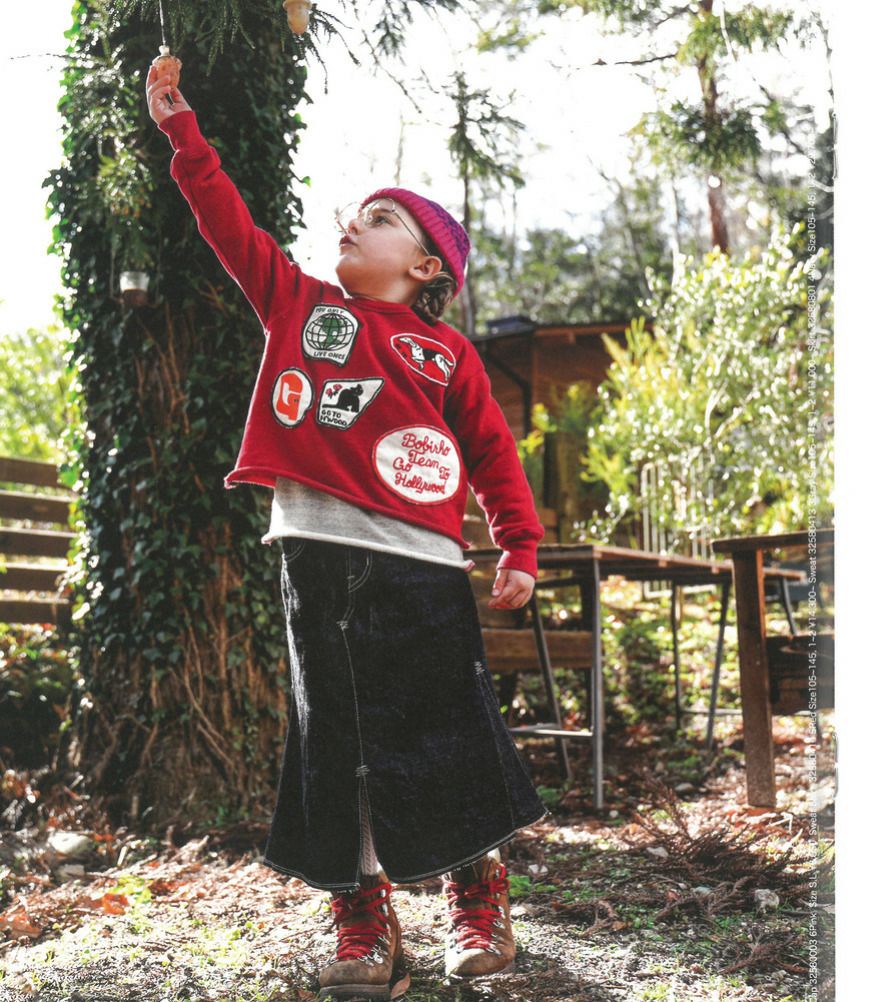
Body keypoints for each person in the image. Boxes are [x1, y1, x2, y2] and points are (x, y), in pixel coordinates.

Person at [146, 63, 550, 1000]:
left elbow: (493, 453)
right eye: (355, 214)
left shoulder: (447, 353)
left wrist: (518, 545)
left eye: (380, 218)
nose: (353, 223)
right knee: (335, 739)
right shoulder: (300, 305)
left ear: (426, 266)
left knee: (443, 729)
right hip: (314, 561)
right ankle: (363, 916)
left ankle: (475, 890)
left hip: (421, 567)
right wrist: (183, 134)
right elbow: (228, 226)